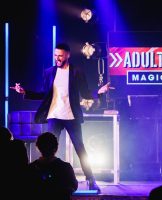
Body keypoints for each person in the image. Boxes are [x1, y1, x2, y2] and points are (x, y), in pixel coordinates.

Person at [10, 43, 101, 193]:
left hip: (71, 116)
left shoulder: (76, 71)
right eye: (55, 55)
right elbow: (43, 94)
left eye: (60, 55)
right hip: (54, 116)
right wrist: (24, 91)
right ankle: (44, 178)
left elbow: (85, 93)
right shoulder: (49, 72)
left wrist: (99, 91)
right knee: (47, 149)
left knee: (80, 149)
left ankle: (90, 179)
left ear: (67, 55)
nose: (57, 58)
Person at [27, 132, 78, 200]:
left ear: (38, 147)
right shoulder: (66, 167)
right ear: (56, 147)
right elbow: (73, 186)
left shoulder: (31, 168)